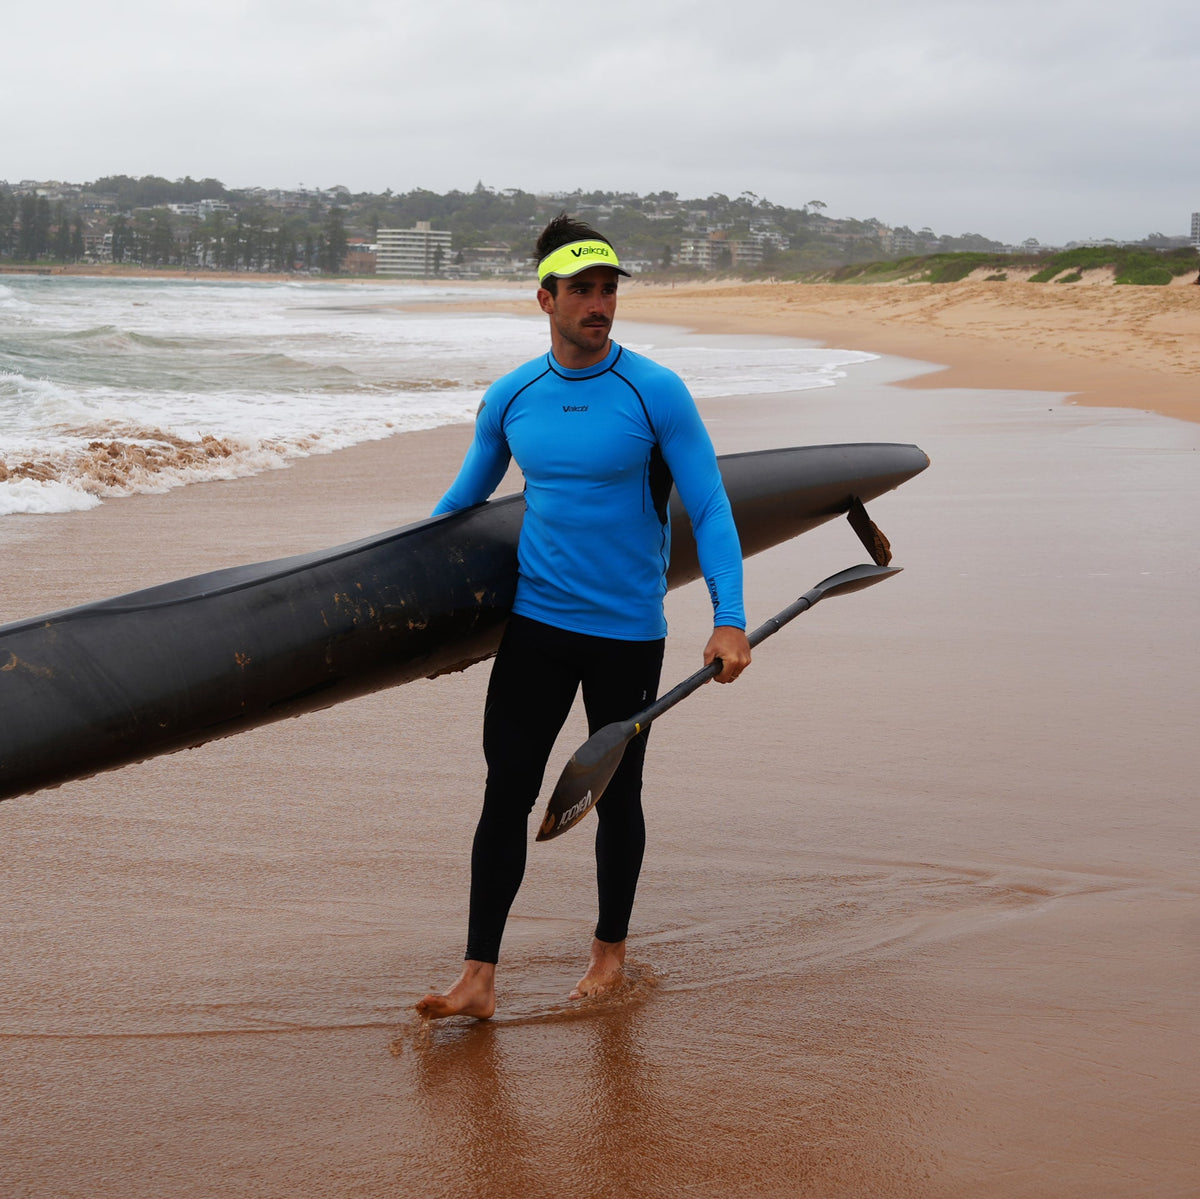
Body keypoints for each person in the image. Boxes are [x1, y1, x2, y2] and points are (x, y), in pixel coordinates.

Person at [415, 214, 752, 1019]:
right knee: (507, 792)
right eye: (584, 291)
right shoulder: (513, 396)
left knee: (619, 796)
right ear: (547, 299)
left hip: (628, 632)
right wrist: (407, 582)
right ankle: (478, 977)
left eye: (608, 290)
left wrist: (729, 616)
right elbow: (463, 502)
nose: (600, 304)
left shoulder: (654, 389)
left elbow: (707, 505)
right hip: (537, 625)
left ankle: (609, 954)